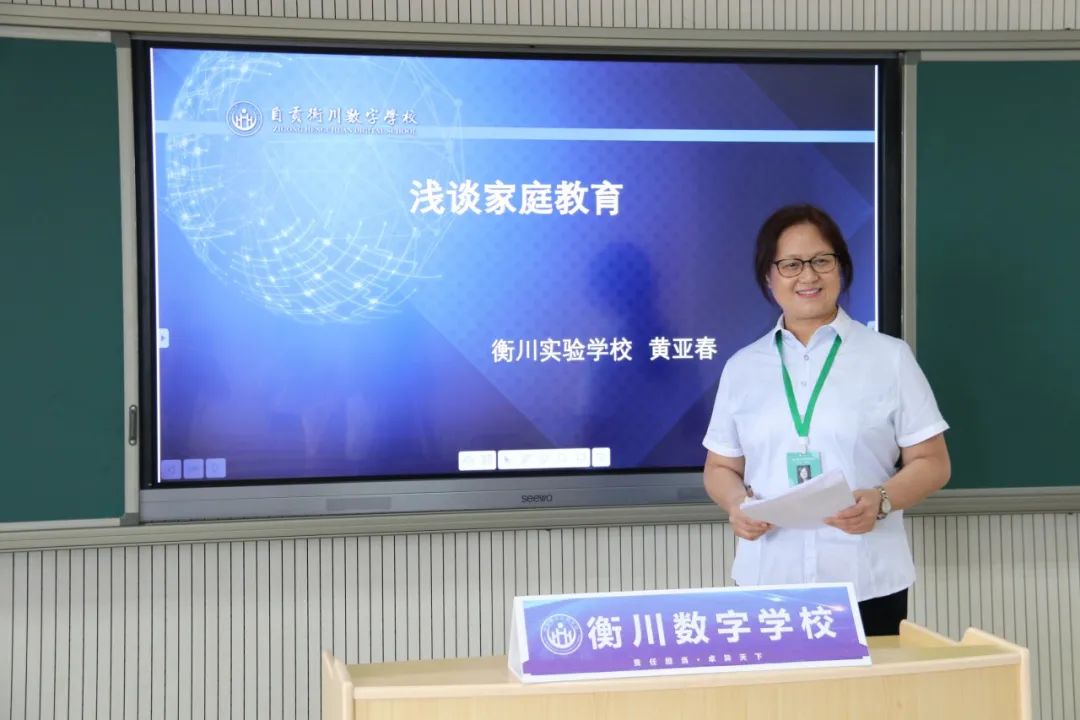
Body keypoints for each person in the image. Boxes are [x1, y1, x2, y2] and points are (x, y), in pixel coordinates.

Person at [702, 204, 951, 636]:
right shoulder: (742, 367)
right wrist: (736, 504)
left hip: (867, 580)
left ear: (841, 268)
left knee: (873, 684)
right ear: (769, 277)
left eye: (821, 260)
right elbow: (720, 467)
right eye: (791, 264)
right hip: (768, 579)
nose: (808, 276)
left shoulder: (889, 358)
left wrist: (882, 499)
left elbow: (933, 462)